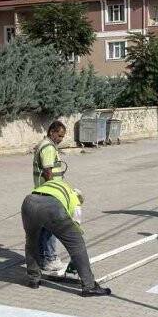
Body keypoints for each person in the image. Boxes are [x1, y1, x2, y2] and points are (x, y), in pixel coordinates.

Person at [21, 176, 111, 297]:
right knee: (77, 244)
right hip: (52, 208)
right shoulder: (75, 201)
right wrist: (75, 256)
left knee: (32, 242)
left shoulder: (60, 185)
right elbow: (76, 227)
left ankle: (33, 279)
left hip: (29, 202)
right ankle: (89, 286)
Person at [33, 121, 69, 275]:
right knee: (51, 227)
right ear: (52, 132)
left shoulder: (46, 144)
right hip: (49, 193)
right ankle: (50, 259)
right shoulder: (48, 147)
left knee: (43, 228)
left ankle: (41, 258)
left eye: (63, 136)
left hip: (43, 192)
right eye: (59, 135)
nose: (61, 139)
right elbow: (48, 171)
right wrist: (55, 190)